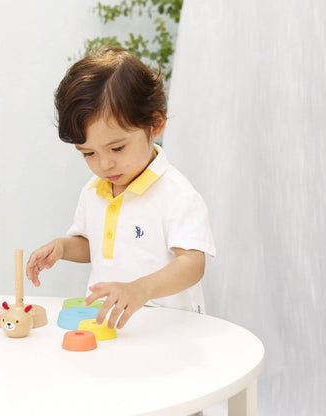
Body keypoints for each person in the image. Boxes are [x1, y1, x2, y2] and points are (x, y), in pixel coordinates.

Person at [26, 46, 215, 330]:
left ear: (155, 123)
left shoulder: (176, 194)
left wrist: (140, 289)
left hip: (171, 331)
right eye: (88, 153)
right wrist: (62, 248)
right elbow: (94, 245)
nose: (105, 165)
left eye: (117, 147)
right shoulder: (94, 191)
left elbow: (192, 264)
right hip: (111, 327)